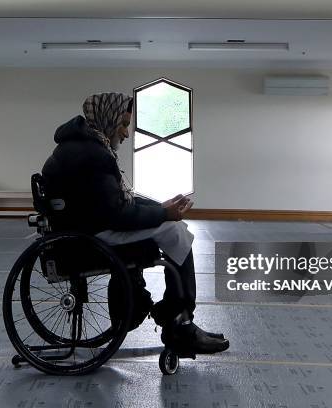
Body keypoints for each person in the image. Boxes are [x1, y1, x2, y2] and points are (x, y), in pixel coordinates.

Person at [42, 92, 229, 354]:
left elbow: (113, 203)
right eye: (124, 124)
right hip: (92, 237)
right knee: (175, 232)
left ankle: (175, 316)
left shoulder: (78, 148)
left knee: (175, 229)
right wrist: (165, 215)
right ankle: (179, 321)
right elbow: (118, 215)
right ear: (108, 119)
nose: (126, 133)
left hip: (83, 229)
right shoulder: (93, 155)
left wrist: (160, 208)